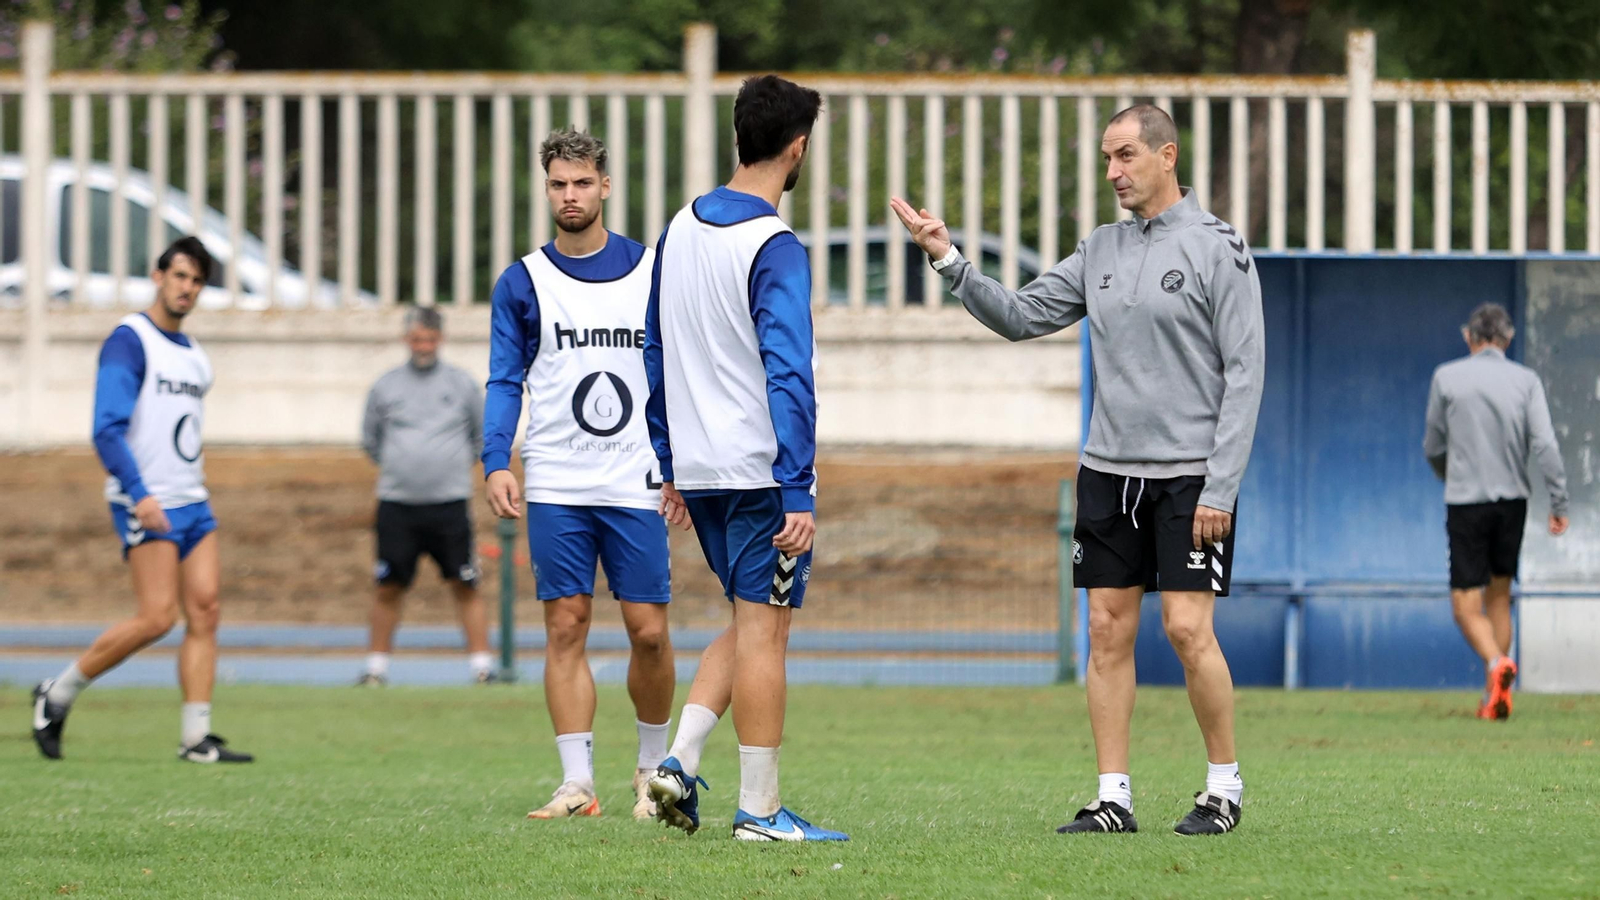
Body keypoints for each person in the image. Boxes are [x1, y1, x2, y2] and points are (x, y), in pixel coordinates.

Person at [892, 104, 1264, 836]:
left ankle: (1223, 788)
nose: (1113, 173)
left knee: (1188, 631)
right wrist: (948, 259)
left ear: (1167, 155)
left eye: (1125, 156)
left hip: (1192, 478)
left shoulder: (1221, 247)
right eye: (1106, 159)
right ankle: (1113, 797)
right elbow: (1023, 315)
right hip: (1106, 472)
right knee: (1105, 632)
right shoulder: (1098, 249)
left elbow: (1246, 372)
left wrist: (1221, 485)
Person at [643, 75, 846, 843]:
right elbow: (788, 371)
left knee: (747, 616)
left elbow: (653, 352)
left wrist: (669, 463)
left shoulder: (677, 230)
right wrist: (798, 485)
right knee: (768, 631)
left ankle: (680, 760)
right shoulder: (773, 244)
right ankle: (760, 811)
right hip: (762, 474)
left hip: (699, 470)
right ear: (797, 148)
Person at [484, 128, 676, 821]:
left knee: (648, 630)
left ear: (605, 186)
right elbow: (505, 379)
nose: (571, 196)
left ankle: (652, 773)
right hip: (558, 480)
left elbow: (676, 370)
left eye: (582, 183)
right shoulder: (523, 281)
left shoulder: (652, 269)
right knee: (565, 626)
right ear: (547, 190)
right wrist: (495, 459)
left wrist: (680, 463)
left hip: (637, 479)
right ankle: (576, 785)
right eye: (559, 185)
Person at [30, 237, 253, 764]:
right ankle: (56, 693)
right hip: (146, 500)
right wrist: (140, 493)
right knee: (157, 618)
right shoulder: (130, 340)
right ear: (158, 277)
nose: (188, 289)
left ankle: (196, 738)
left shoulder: (197, 358)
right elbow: (107, 429)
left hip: (192, 500)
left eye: (197, 281)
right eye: (180, 277)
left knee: (207, 610)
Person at [1424, 302, 1569, 720]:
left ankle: (1495, 665)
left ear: (1469, 337)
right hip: (1513, 504)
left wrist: (1448, 474)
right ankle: (1496, 696)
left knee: (1465, 606)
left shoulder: (1447, 377)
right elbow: (1545, 444)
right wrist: (1558, 502)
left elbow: (1433, 446)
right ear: (1507, 339)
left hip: (1467, 502)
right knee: (1500, 597)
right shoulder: (1526, 380)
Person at [357, 306, 491, 686]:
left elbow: (480, 438)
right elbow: (370, 441)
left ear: (440, 339)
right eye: (417, 339)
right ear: (406, 340)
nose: (423, 346)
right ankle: (376, 669)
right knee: (388, 585)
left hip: (449, 504)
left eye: (430, 339)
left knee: (465, 583)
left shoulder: (462, 384)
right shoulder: (385, 385)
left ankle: (482, 667)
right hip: (397, 504)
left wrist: (446, 467)